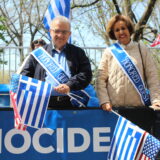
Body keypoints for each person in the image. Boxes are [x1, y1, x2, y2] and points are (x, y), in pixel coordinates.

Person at [95, 14, 160, 133]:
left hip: (140, 110)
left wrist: (156, 100)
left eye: (123, 28)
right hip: (115, 111)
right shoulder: (109, 52)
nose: (121, 32)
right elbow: (100, 79)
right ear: (113, 33)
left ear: (129, 29)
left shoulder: (141, 49)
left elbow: (152, 77)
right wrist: (104, 101)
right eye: (117, 30)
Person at [20, 16, 92, 109]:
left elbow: (86, 74)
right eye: (57, 31)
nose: (60, 35)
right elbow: (25, 77)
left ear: (69, 34)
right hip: (43, 105)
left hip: (71, 104)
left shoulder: (78, 52)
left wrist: (69, 85)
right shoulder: (37, 54)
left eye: (64, 32)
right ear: (50, 32)